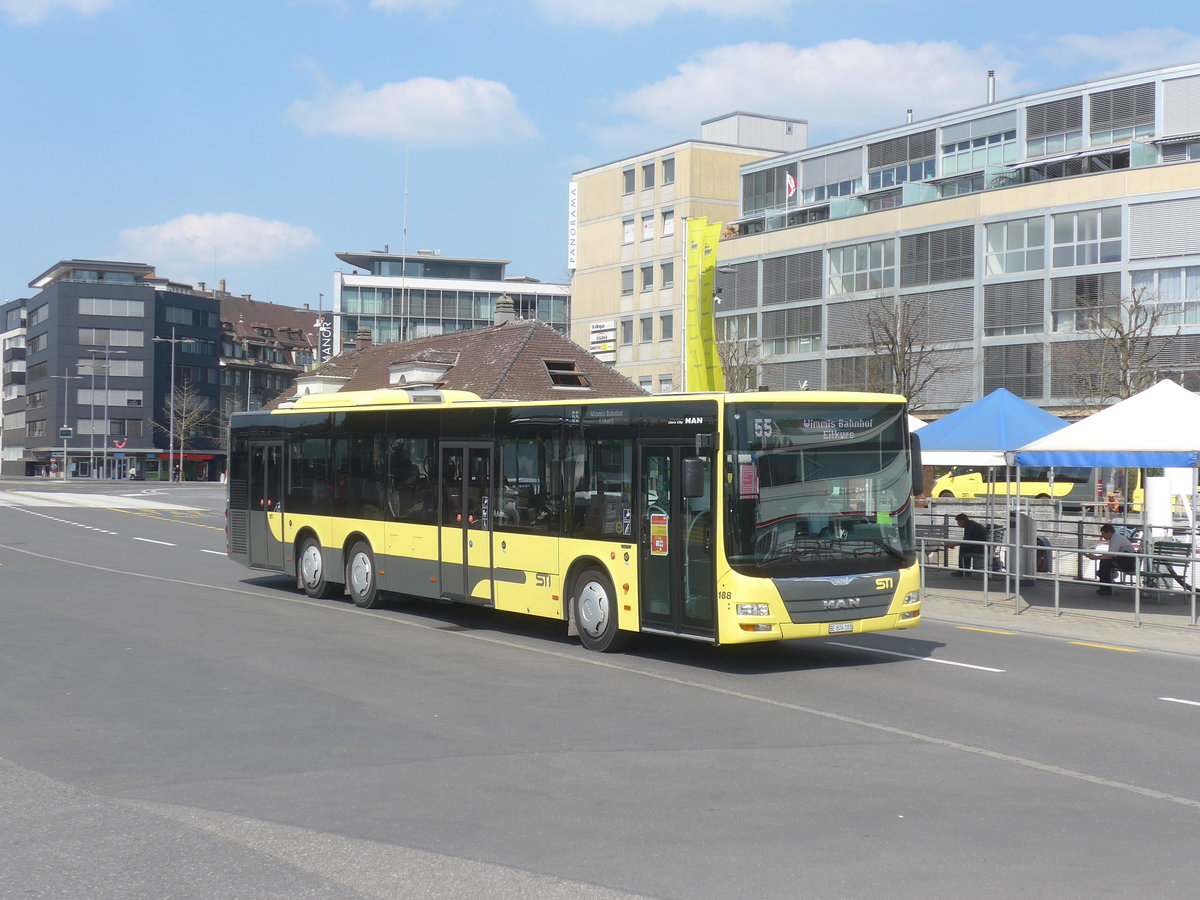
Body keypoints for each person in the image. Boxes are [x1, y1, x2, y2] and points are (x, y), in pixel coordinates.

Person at [1088, 524, 1136, 595]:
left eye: (1103, 534)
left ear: (1109, 532)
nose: (1103, 536)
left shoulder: (1115, 539)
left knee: (1104, 563)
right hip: (1126, 560)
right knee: (1105, 562)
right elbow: (1110, 554)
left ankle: (1106, 588)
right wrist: (1098, 557)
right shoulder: (1116, 538)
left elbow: (1110, 556)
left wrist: (1096, 557)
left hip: (1127, 561)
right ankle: (1105, 586)